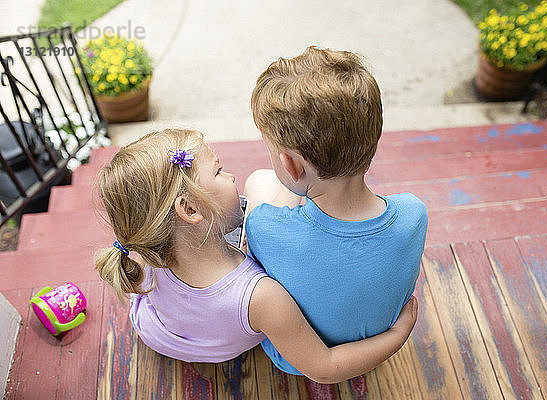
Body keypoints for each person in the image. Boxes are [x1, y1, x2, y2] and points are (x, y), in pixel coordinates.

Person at [94, 128, 418, 384]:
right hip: (222, 348)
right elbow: (324, 367)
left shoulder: (145, 249)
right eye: (219, 172)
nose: (231, 177)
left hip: (157, 334)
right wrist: (397, 335)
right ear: (190, 209)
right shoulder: (261, 295)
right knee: (267, 183)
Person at [244, 46, 428, 375]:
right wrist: (398, 334)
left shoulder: (264, 228)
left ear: (290, 163)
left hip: (295, 359)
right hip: (378, 338)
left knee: (260, 181)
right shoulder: (415, 214)